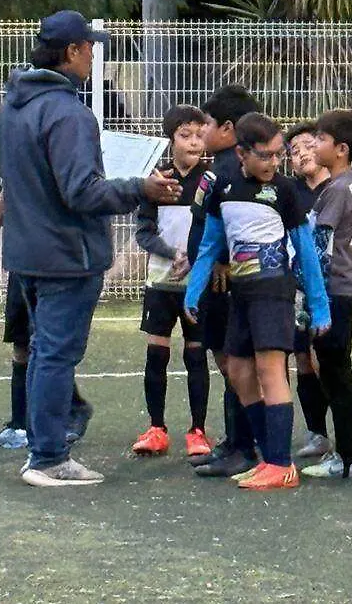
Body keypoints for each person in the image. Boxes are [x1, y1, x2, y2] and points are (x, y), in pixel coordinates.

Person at [0, 10, 181, 487]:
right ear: (73, 51)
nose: (95, 55)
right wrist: (141, 187)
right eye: (90, 47)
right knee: (57, 354)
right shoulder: (68, 113)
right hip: (67, 254)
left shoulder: (15, 104)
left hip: (28, 252)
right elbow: (81, 192)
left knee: (44, 352)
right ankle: (49, 456)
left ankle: (53, 435)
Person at [184, 112, 330, 490]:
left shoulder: (284, 191)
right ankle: (270, 457)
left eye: (278, 155)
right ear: (242, 152)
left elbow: (306, 252)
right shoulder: (223, 185)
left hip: (273, 292)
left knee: (270, 371)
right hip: (241, 295)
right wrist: (194, 288)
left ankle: (281, 464)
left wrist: (319, 304)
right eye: (265, 155)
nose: (274, 163)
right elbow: (211, 243)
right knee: (238, 371)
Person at [187, 85, 262, 478]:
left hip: (228, 283)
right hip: (211, 279)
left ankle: (245, 445)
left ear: (229, 128)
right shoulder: (217, 168)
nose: (202, 131)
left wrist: (221, 261)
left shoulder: (234, 171)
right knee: (226, 359)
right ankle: (234, 441)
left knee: (235, 362)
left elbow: (240, 224)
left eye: (209, 124)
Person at [130, 104, 212, 458]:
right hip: (161, 283)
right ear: (171, 138)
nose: (194, 142)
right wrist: (170, 253)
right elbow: (144, 232)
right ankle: (156, 427)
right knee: (156, 354)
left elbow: (215, 230)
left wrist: (194, 258)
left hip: (197, 285)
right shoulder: (157, 179)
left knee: (196, 355)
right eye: (185, 135)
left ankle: (198, 430)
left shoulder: (211, 181)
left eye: (199, 135)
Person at [0, 193, 92, 450]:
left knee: (47, 346)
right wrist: (8, 192)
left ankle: (71, 411)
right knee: (22, 346)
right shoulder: (17, 179)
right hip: (21, 269)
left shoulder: (59, 179)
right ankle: (19, 423)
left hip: (51, 272)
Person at [300, 108, 352, 479]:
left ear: (341, 149)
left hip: (332, 292)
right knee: (335, 370)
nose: (315, 144)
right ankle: (349, 453)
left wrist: (306, 287)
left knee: (335, 372)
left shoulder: (338, 189)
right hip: (342, 289)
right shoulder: (349, 184)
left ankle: (348, 456)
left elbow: (319, 244)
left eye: (323, 139)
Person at [285, 121, 334, 459]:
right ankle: (317, 431)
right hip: (296, 289)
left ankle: (345, 421)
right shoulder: (290, 193)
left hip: (332, 288)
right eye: (293, 151)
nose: (301, 153)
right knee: (303, 357)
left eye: (306, 144)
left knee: (328, 359)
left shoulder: (341, 189)